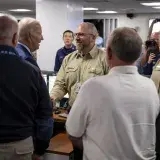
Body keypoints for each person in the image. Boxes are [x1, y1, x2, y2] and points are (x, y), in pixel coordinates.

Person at [66, 27, 160, 160]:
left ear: (109, 52)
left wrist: (95, 149)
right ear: (139, 53)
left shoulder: (93, 87)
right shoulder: (150, 86)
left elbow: (73, 133)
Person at [0, 13, 53, 160]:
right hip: (18, 147)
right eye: (40, 34)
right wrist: (40, 148)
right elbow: (44, 113)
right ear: (15, 37)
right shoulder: (31, 70)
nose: (42, 38)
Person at [50, 22, 108, 108]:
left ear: (93, 37)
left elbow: (111, 89)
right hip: (72, 111)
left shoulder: (105, 59)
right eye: (76, 34)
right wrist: (52, 98)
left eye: (81, 35)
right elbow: (60, 84)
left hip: (96, 114)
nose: (76, 38)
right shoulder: (69, 59)